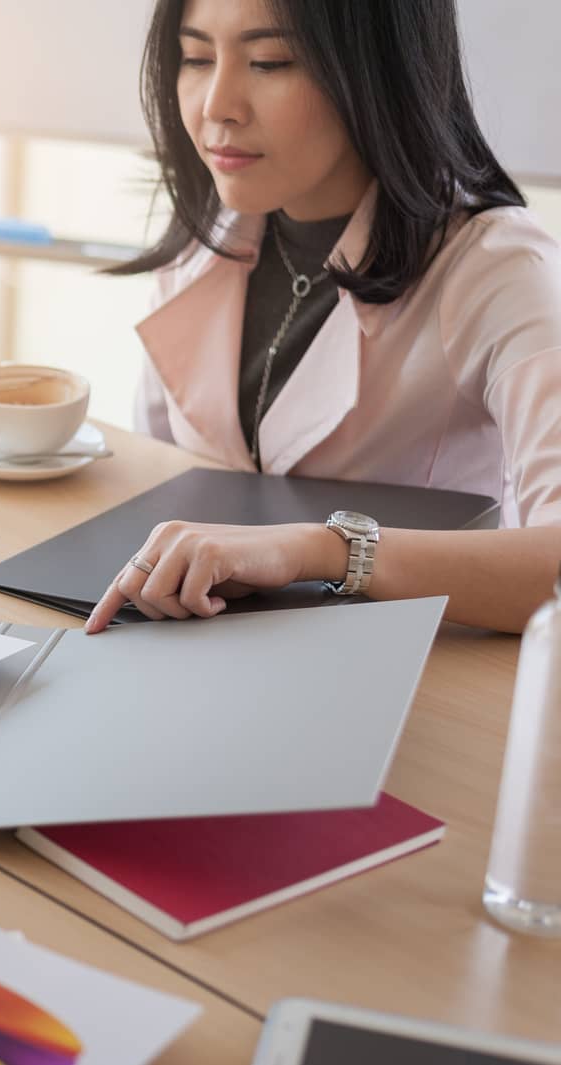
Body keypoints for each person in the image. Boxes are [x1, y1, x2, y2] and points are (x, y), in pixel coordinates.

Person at [85, 0, 561, 635]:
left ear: (377, 72)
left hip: (406, 663)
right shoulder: (211, 236)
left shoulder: (498, 265)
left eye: (269, 61)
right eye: (196, 57)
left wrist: (323, 550)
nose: (216, 105)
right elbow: (164, 478)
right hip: (207, 645)